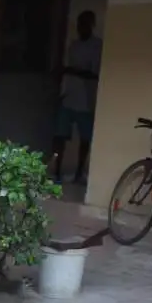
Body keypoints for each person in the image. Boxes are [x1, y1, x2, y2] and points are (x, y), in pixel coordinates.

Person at [52, 10, 102, 185]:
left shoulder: (97, 46)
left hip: (86, 100)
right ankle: (57, 172)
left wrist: (72, 70)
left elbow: (95, 74)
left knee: (85, 139)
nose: (81, 28)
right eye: (80, 24)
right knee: (60, 137)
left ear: (92, 25)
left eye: (85, 24)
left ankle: (79, 172)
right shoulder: (73, 45)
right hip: (68, 97)